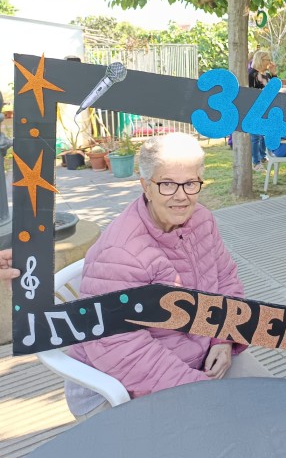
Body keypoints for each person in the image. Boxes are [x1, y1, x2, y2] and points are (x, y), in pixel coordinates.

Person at [65, 133, 249, 420]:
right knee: (226, 429)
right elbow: (120, 347)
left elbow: (225, 280)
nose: (181, 196)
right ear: (146, 187)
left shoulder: (202, 219)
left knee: (267, 406)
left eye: (190, 183)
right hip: (115, 383)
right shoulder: (121, 251)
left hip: (198, 356)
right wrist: (197, 388)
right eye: (167, 184)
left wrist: (223, 340)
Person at [248, 49, 278, 171]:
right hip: (254, 108)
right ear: (261, 60)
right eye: (267, 60)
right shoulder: (252, 75)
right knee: (256, 136)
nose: (269, 62)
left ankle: (263, 156)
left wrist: (273, 73)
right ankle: (255, 162)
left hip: (265, 108)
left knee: (263, 134)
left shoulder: (266, 75)